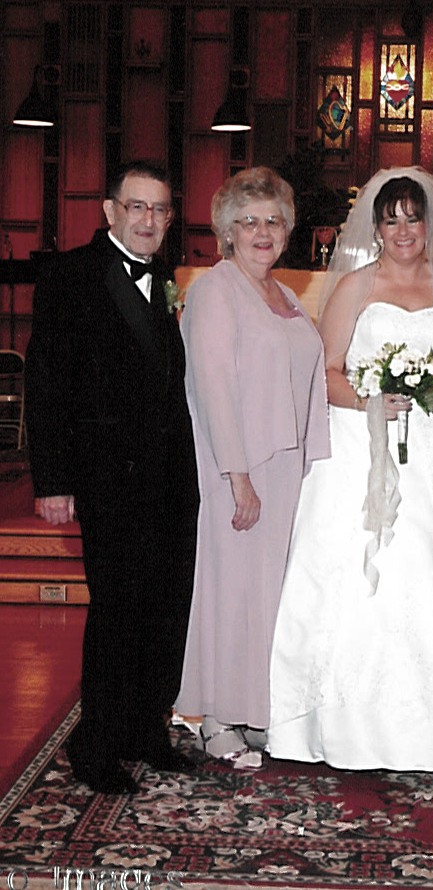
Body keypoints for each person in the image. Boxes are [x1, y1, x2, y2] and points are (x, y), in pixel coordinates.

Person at [268, 167, 433, 772]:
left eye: (413, 219)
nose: (403, 230)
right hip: (360, 445)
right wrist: (371, 400)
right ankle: (336, 723)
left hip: (432, 446)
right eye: (391, 219)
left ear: (430, 225)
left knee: (429, 567)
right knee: (357, 574)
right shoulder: (356, 285)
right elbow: (324, 375)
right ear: (375, 227)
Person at [24, 160, 199, 794]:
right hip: (107, 479)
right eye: (137, 207)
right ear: (109, 211)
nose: (149, 219)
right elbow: (46, 381)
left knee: (162, 610)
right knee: (117, 613)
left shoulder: (168, 277)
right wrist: (52, 481)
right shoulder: (69, 275)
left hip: (169, 477)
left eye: (160, 209)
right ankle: (95, 745)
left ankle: (144, 730)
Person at [174, 167, 330, 768]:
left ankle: (253, 708)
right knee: (230, 591)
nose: (262, 232)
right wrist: (237, 477)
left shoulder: (284, 295)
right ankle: (216, 715)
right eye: (248, 221)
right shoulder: (217, 290)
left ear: (288, 230)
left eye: (273, 221)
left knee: (269, 596)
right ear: (227, 231)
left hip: (284, 470)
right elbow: (212, 387)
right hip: (238, 469)